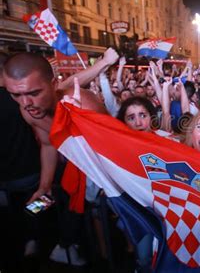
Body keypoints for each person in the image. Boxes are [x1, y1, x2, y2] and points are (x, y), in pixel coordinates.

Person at [3, 49, 118, 265]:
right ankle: (62, 245)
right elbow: (47, 144)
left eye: (34, 92)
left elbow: (114, 149)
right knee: (37, 208)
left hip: (106, 176)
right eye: (16, 95)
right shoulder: (27, 111)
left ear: (54, 84)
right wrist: (44, 186)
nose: (25, 102)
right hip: (74, 176)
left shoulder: (84, 104)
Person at [0, 52, 42, 272]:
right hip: (29, 173)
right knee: (35, 207)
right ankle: (33, 238)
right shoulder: (21, 99)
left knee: (10, 216)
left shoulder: (19, 98)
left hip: (6, 178)